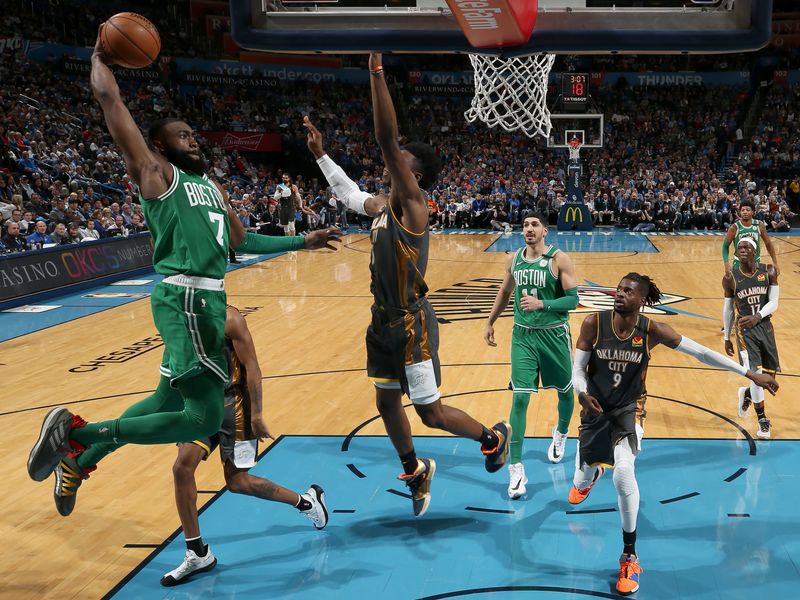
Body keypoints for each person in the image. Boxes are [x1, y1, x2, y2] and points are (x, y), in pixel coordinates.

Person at [28, 26, 341, 513]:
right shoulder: (157, 175)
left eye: (193, 134)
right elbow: (112, 106)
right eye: (181, 135)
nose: (191, 139)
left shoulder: (211, 189)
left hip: (206, 300)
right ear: (159, 146)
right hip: (189, 299)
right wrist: (99, 59)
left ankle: (80, 460)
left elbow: (241, 240)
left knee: (161, 404)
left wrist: (302, 239)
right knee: (200, 419)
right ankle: (75, 433)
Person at [302, 53, 510, 517]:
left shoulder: (415, 207)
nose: (389, 167)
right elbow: (348, 192)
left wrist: (376, 72)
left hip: (412, 322)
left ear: (412, 176)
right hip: (381, 323)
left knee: (430, 413)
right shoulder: (381, 207)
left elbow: (383, 139)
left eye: (399, 163)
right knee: (384, 399)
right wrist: (320, 155)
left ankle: (493, 439)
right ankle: (415, 469)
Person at [569, 273, 778, 595]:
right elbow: (578, 370)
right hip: (594, 408)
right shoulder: (593, 324)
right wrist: (582, 393)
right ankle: (589, 474)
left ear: (641, 300)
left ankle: (630, 555)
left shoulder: (651, 330)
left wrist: (748, 372)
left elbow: (701, 353)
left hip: (629, 408)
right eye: (619, 289)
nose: (619, 293)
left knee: (623, 474)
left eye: (628, 291)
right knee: (582, 479)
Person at [160, 305, 327, 587]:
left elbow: (252, 366)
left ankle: (307, 502)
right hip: (201, 404)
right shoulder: (179, 316)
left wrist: (258, 413)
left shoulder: (230, 318)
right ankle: (197, 553)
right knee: (181, 467)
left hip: (234, 405)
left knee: (238, 482)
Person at [483, 213, 579, 499]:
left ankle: (561, 434)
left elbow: (573, 300)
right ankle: (516, 467)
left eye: (534, 224)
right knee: (520, 397)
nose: (528, 228)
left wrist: (543, 303)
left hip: (554, 335)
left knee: (564, 391)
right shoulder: (513, 260)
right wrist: (490, 321)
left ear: (545, 231)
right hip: (522, 336)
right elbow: (504, 290)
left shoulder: (559, 259)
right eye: (525, 224)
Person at [723, 237, 780, 438]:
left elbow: (774, 303)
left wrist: (758, 316)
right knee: (756, 375)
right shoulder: (731, 278)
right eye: (739, 248)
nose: (742, 249)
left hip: (764, 327)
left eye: (747, 246)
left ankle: (746, 394)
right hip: (744, 331)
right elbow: (728, 308)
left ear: (755, 251)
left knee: (769, 377)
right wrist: (726, 336)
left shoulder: (769, 271)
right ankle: (763, 420)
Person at [722, 198, 779, 278]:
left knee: (757, 289)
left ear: (753, 212)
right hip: (739, 263)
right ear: (740, 212)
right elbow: (725, 246)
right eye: (743, 210)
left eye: (748, 210)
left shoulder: (759, 225)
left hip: (756, 263)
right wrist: (726, 264)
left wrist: (775, 262)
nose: (745, 212)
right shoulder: (734, 227)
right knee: (737, 289)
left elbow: (768, 244)